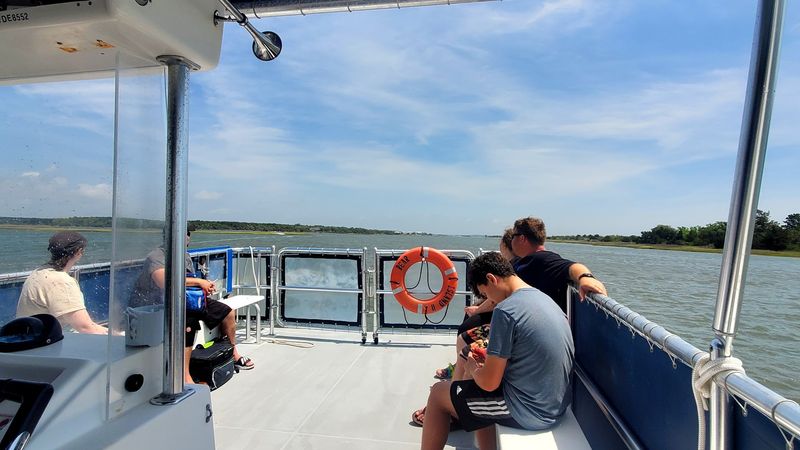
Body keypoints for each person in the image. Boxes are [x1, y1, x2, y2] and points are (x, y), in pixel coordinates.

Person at [419, 252, 574, 450]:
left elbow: (489, 383)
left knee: (439, 394)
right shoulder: (545, 300)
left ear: (491, 279)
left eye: (486, 294)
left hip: (531, 412)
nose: (489, 301)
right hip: (555, 404)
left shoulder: (506, 311)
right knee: (473, 390)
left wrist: (475, 368)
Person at [130, 226, 254, 383]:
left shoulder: (184, 256)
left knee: (227, 312)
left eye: (188, 234)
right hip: (161, 303)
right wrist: (198, 281)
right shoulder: (157, 256)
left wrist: (204, 288)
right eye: (182, 234)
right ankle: (184, 375)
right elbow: (163, 282)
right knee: (188, 324)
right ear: (169, 237)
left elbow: (188, 283)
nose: (187, 237)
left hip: (186, 299)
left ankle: (233, 353)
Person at [16, 231, 108, 334]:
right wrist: (118, 335)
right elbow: (85, 328)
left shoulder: (38, 272)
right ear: (79, 252)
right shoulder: (60, 282)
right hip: (45, 344)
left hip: (30, 338)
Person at [511, 216, 608, 312]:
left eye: (513, 236)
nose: (511, 241)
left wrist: (586, 277)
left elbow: (571, 266)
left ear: (522, 238)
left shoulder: (544, 260)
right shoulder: (524, 260)